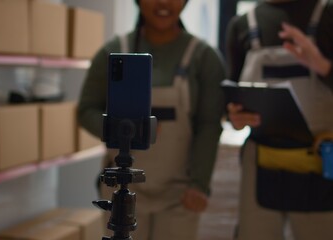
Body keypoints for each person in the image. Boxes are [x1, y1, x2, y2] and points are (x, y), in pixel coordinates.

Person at [77, 0, 226, 239]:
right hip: (121, 189)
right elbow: (86, 111)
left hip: (180, 194)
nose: (164, 3)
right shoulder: (114, 52)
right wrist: (124, 129)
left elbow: (209, 125)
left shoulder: (204, 58)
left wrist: (199, 183)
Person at [225, 0, 333, 239]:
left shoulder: (327, 15)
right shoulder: (242, 25)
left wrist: (323, 66)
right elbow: (231, 99)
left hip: (321, 162)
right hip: (261, 162)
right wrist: (235, 116)